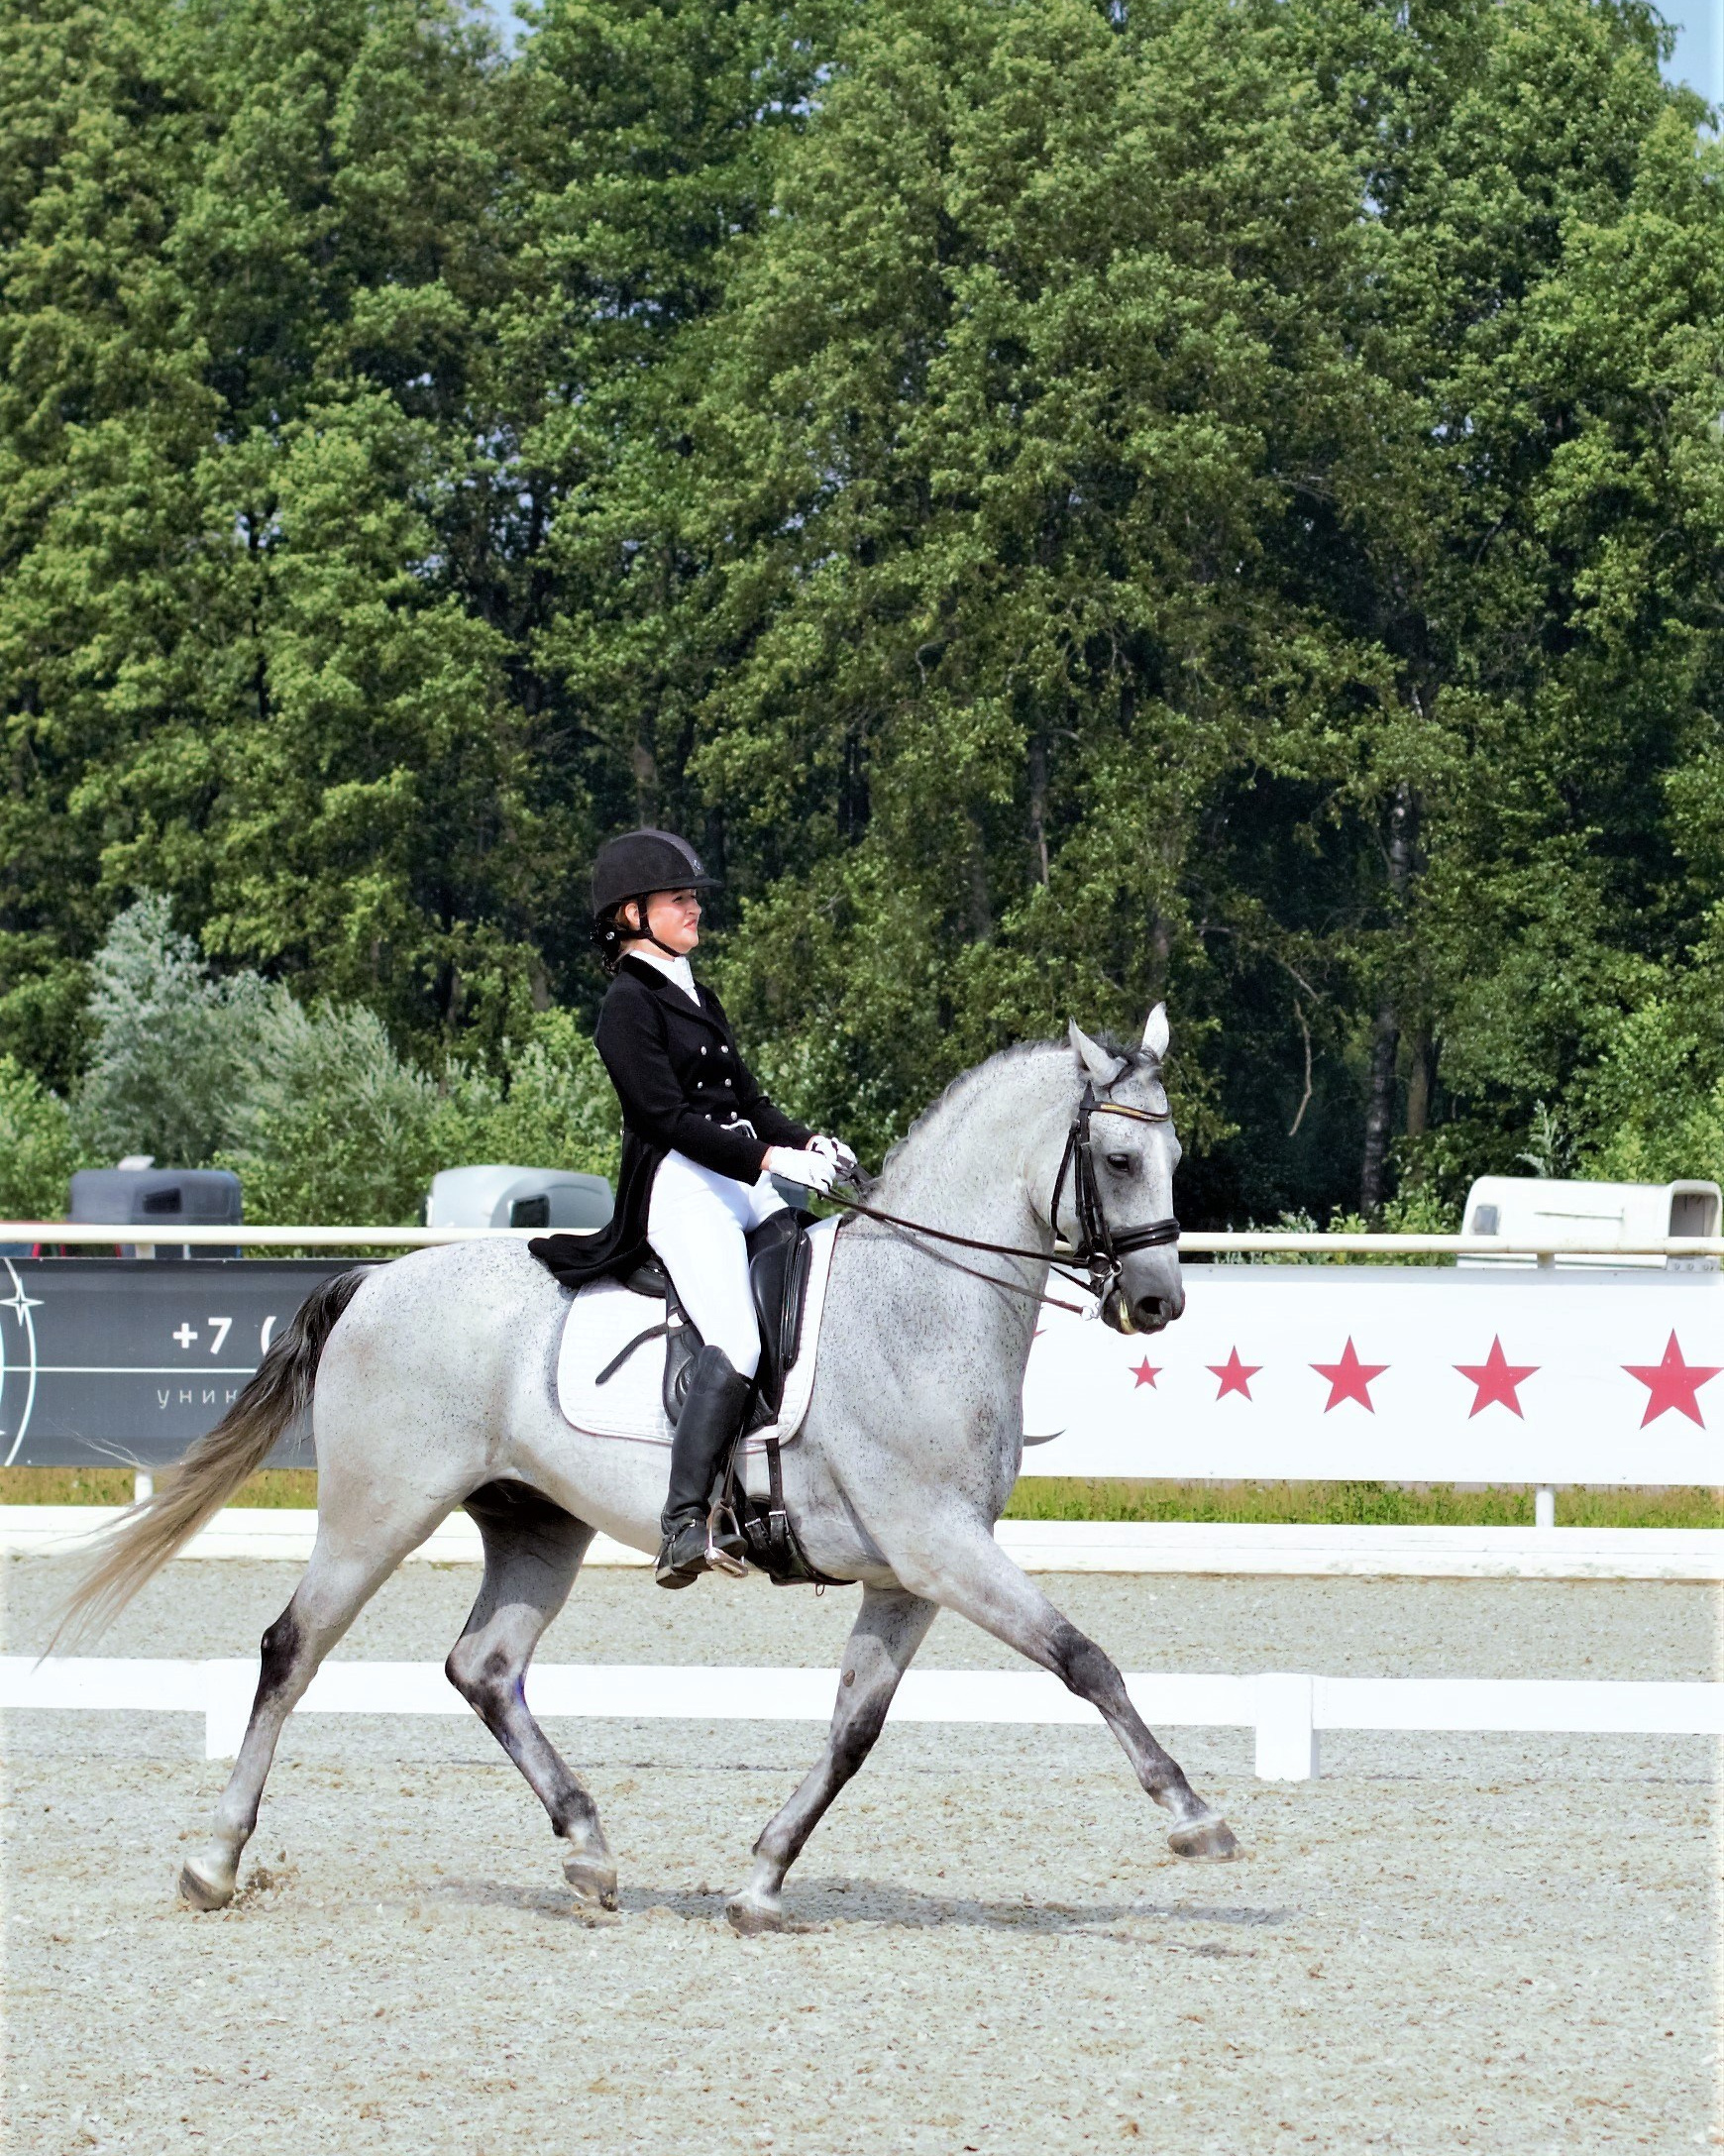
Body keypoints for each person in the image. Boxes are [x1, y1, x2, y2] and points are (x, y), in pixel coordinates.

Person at [540, 827, 856, 1587]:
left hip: (740, 1183)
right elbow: (665, 1117)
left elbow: (746, 1100)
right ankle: (684, 1523)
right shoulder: (626, 1005)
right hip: (681, 1190)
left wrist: (810, 1139)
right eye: (678, 899)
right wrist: (772, 1158)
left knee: (807, 1295)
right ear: (631, 914)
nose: (693, 910)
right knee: (740, 1343)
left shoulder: (695, 991)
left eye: (691, 898)